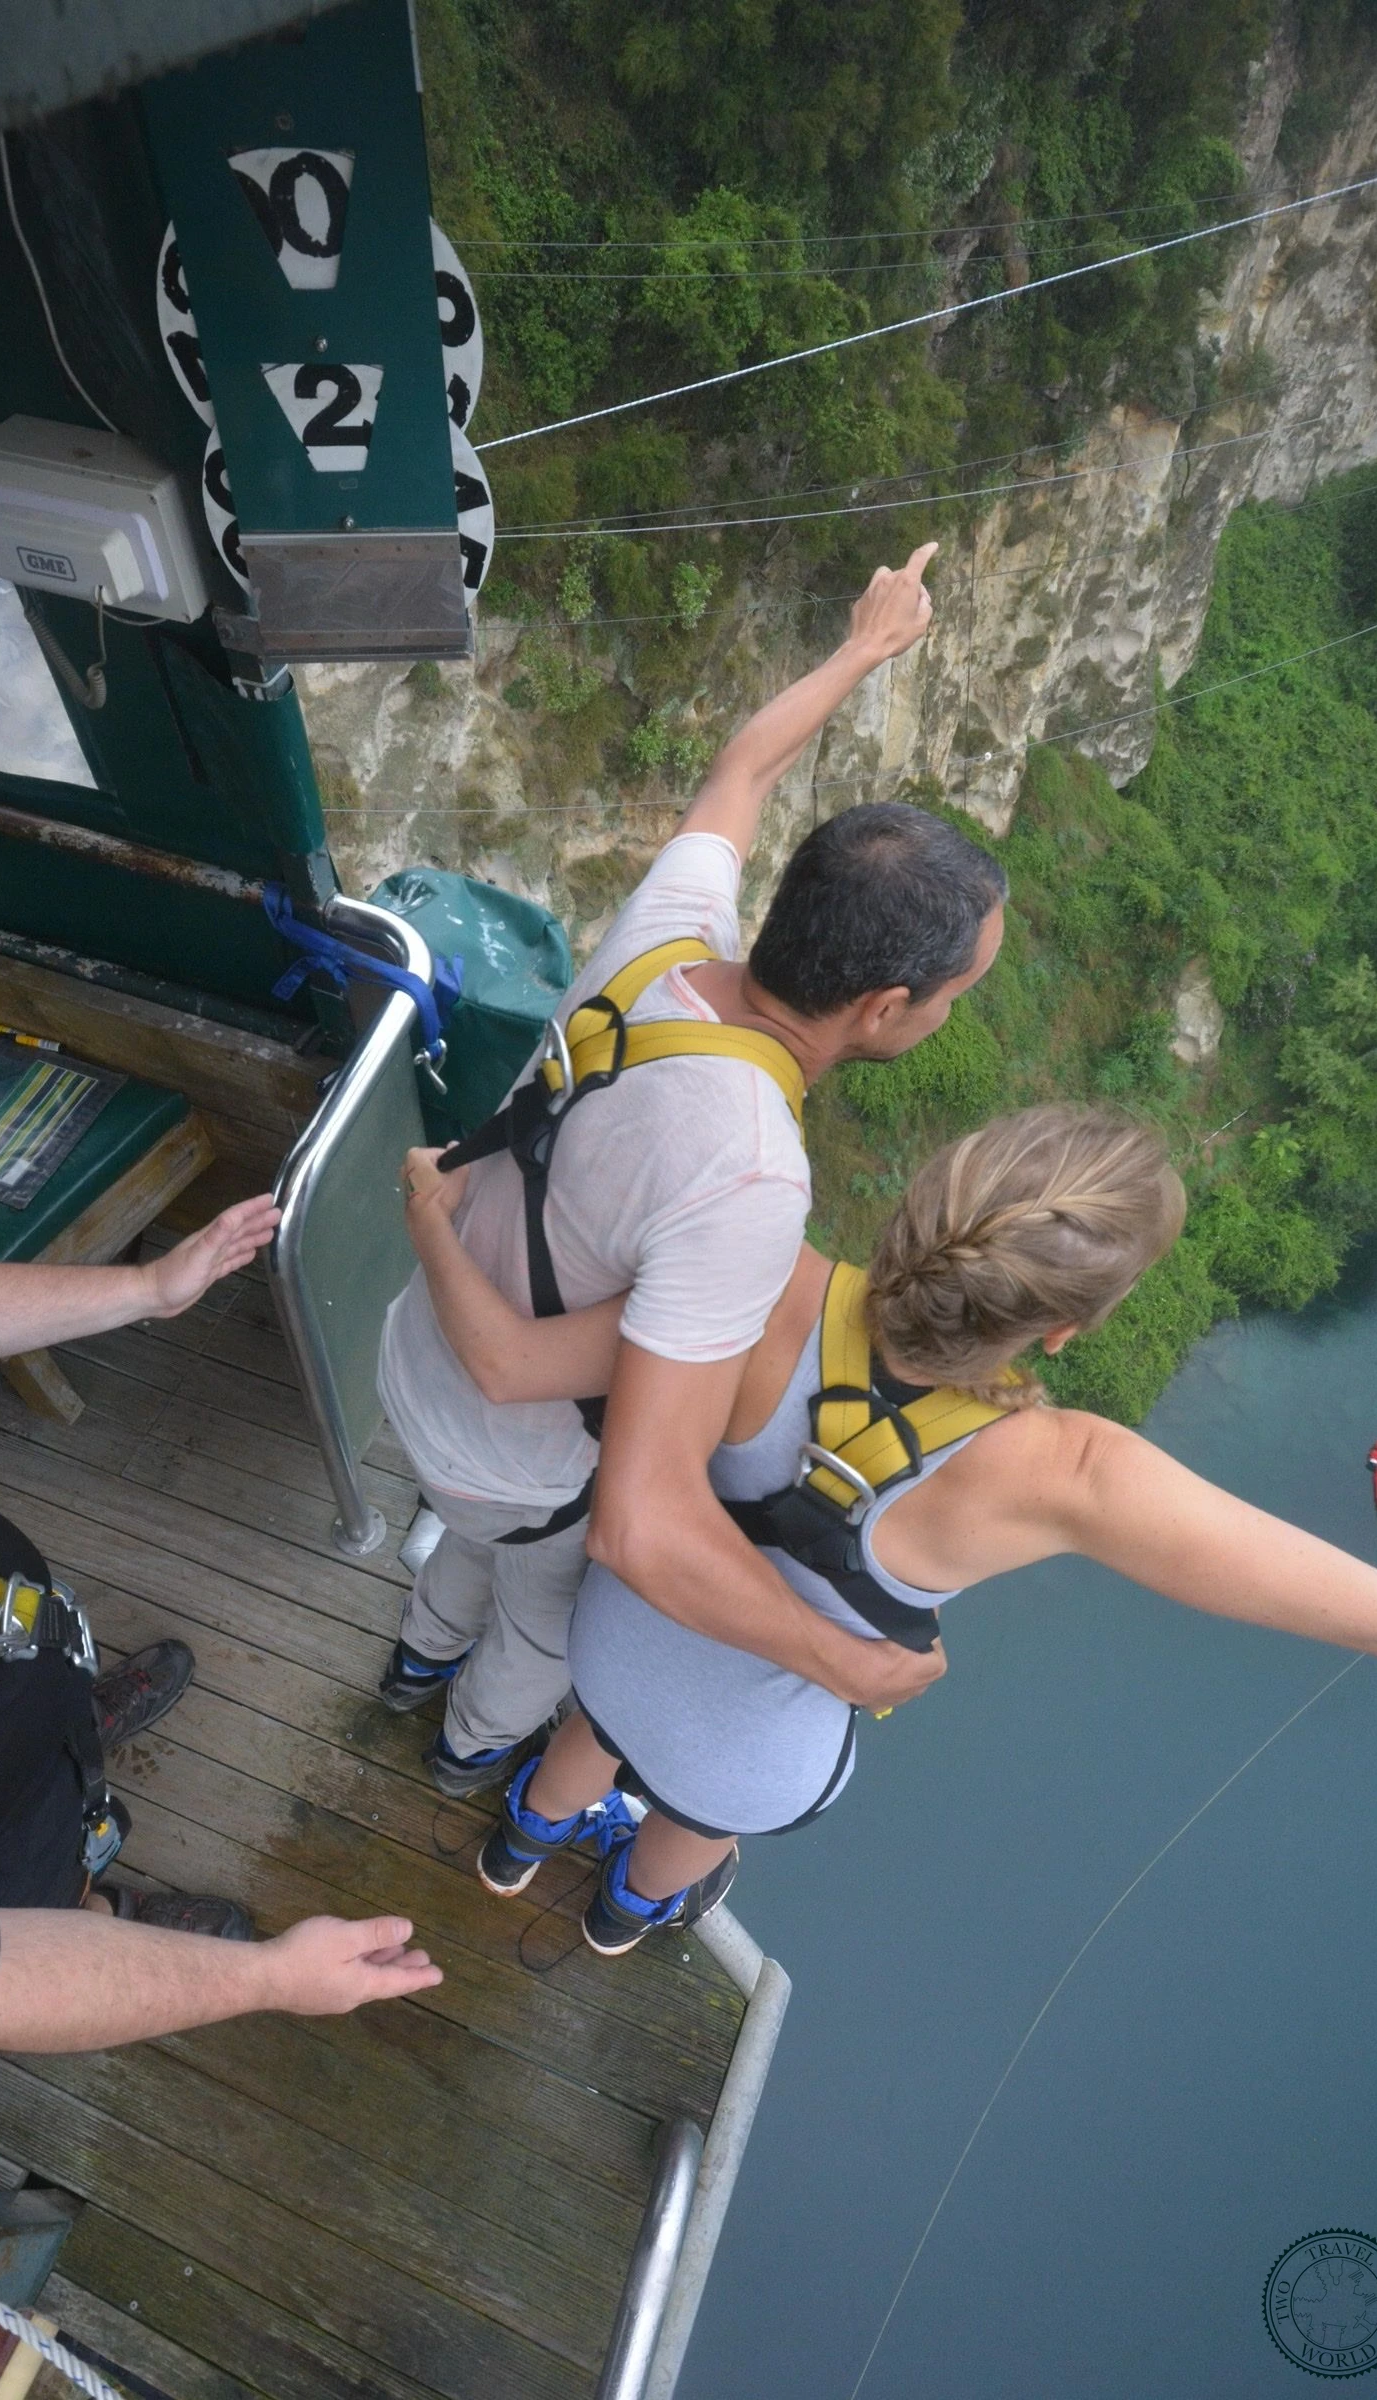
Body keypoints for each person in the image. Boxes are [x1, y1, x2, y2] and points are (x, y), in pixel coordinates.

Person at [404, 1106, 1377, 1954]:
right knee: (700, 1815)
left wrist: (430, 1214)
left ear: (920, 1204)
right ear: (1071, 1326)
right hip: (742, 1746)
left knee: (603, 1725)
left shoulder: (760, 1277)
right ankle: (620, 1916)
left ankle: (516, 1848)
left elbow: (524, 1352)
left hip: (617, 1636)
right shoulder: (1065, 1473)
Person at [378, 545, 1009, 1797]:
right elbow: (635, 1514)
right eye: (952, 996)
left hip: (414, 1368)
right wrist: (845, 1663)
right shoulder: (756, 1179)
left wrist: (863, 648)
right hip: (510, 1450)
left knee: (465, 1552)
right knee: (541, 1625)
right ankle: (460, 1752)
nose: (948, 1015)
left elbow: (744, 765)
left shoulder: (661, 942)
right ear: (883, 1008)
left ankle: (411, 1658)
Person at [0, 1199, 441, 2052]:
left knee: (55, 1713)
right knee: (44, 1894)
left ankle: (75, 1725)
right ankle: (107, 1905)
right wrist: (268, 1978)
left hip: (4, 1648)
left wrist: (146, 1288)